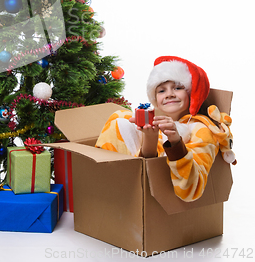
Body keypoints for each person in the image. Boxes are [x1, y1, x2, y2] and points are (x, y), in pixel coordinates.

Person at [95, 56, 236, 202]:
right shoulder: (157, 121)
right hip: (135, 188)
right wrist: (150, 137)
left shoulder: (201, 129)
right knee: (120, 118)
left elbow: (190, 191)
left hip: (165, 200)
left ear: (191, 93)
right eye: (161, 90)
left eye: (178, 88)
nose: (169, 94)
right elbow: (145, 167)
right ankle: (107, 184)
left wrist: (175, 142)